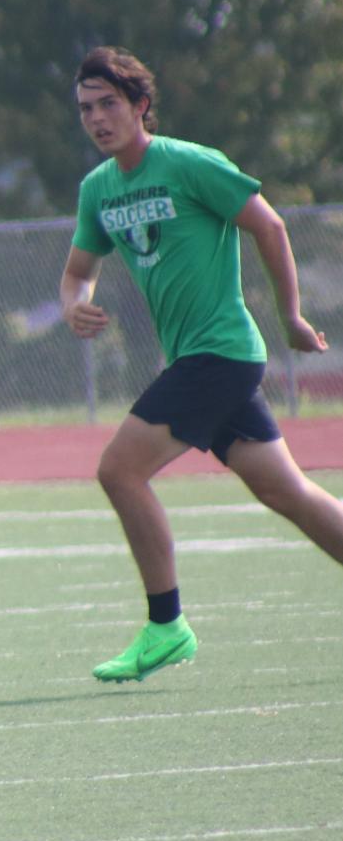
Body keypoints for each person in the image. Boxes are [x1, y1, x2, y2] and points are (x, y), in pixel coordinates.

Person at [61, 45, 342, 683]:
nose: (98, 118)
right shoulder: (99, 190)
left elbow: (268, 227)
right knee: (287, 492)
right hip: (199, 359)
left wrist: (292, 318)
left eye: (110, 104)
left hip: (221, 354)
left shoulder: (188, 164)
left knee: (119, 471)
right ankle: (167, 627)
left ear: (141, 107)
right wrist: (77, 304)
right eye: (86, 108)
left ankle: (167, 626)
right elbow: (78, 273)